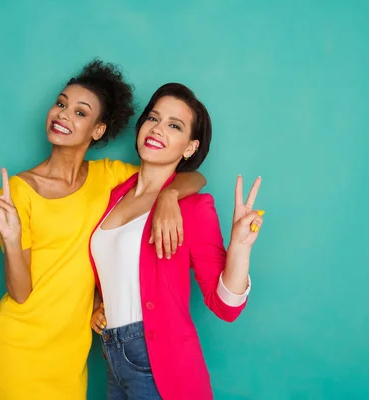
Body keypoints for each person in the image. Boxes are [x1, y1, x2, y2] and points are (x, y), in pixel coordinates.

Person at [0, 61, 207, 399]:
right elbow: (21, 292)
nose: (63, 115)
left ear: (98, 130)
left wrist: (170, 196)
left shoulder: (110, 177)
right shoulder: (19, 191)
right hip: (19, 346)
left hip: (71, 353)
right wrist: (12, 238)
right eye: (60, 104)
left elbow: (185, 174)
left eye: (80, 112)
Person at [89, 83, 265, 399]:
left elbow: (226, 306)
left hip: (158, 363)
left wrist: (240, 245)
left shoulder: (193, 209)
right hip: (111, 356)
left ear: (189, 147)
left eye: (174, 125)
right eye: (153, 118)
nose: (158, 129)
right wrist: (100, 305)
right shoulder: (114, 195)